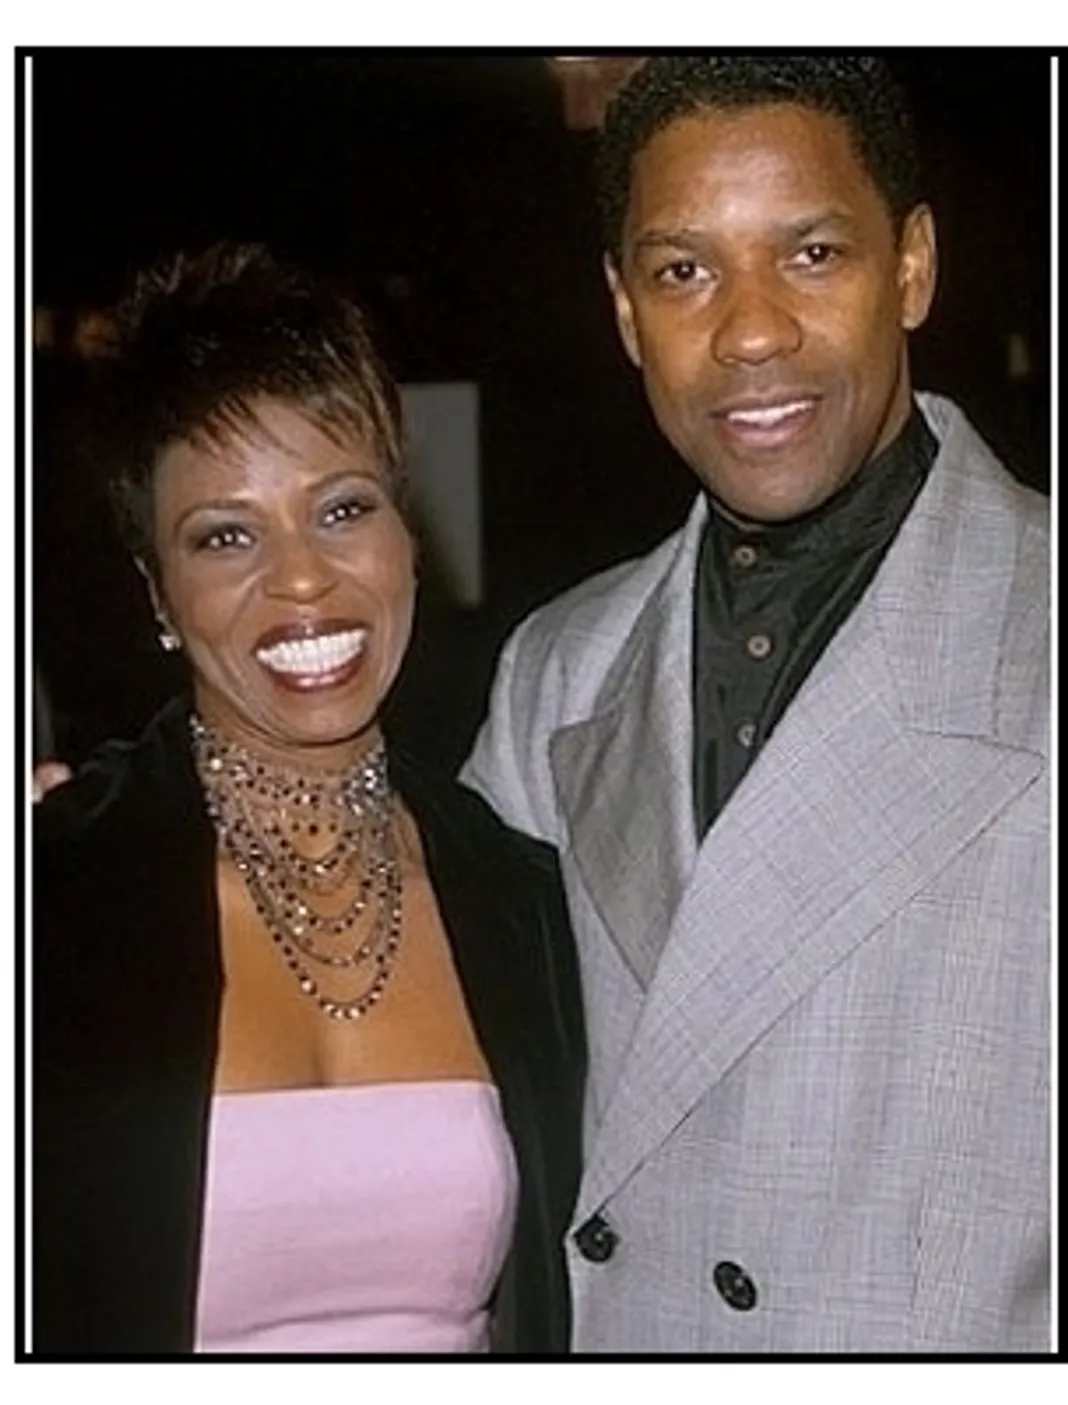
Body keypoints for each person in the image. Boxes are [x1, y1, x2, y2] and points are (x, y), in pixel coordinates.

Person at [461, 56, 1050, 1352]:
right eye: (684, 272)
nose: (750, 332)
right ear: (624, 312)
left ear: (912, 268)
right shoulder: (556, 672)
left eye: (812, 253)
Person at [32, 243, 585, 1356]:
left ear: (407, 537)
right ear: (156, 590)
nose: (300, 578)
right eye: (226, 534)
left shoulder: (516, 892)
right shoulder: (58, 894)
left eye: (341, 509)